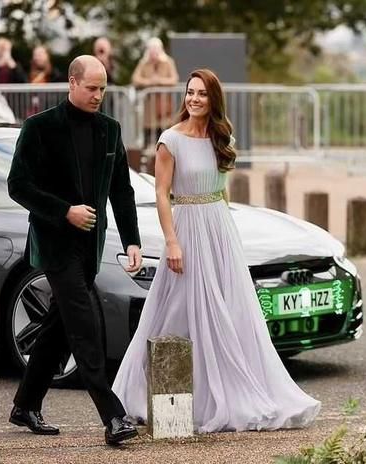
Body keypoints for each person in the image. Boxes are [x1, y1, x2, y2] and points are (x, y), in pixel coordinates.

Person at [113, 69, 321, 433]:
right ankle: (161, 392)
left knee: (230, 310)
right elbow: (162, 193)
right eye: (190, 92)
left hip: (220, 229)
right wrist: (172, 241)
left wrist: (230, 235)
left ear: (213, 100)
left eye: (202, 94)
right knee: (178, 309)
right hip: (187, 228)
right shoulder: (169, 140)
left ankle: (229, 390)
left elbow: (221, 191)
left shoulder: (221, 137)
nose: (194, 99)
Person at [7, 55, 142, 446]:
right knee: (85, 326)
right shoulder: (39, 127)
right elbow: (18, 186)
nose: (98, 95)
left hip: (89, 246)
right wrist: (64, 211)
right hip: (54, 243)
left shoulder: (110, 130)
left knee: (58, 327)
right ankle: (113, 416)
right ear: (72, 83)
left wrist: (132, 240)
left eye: (103, 89)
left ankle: (25, 405)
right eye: (91, 88)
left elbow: (122, 191)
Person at [131, 37, 179, 147]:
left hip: (164, 107)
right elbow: (135, 79)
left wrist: (160, 81)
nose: (154, 54)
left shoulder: (168, 62)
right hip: (149, 108)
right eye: (151, 50)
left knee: (165, 135)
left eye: (156, 50)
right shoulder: (143, 63)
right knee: (149, 135)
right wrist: (149, 82)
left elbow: (174, 79)